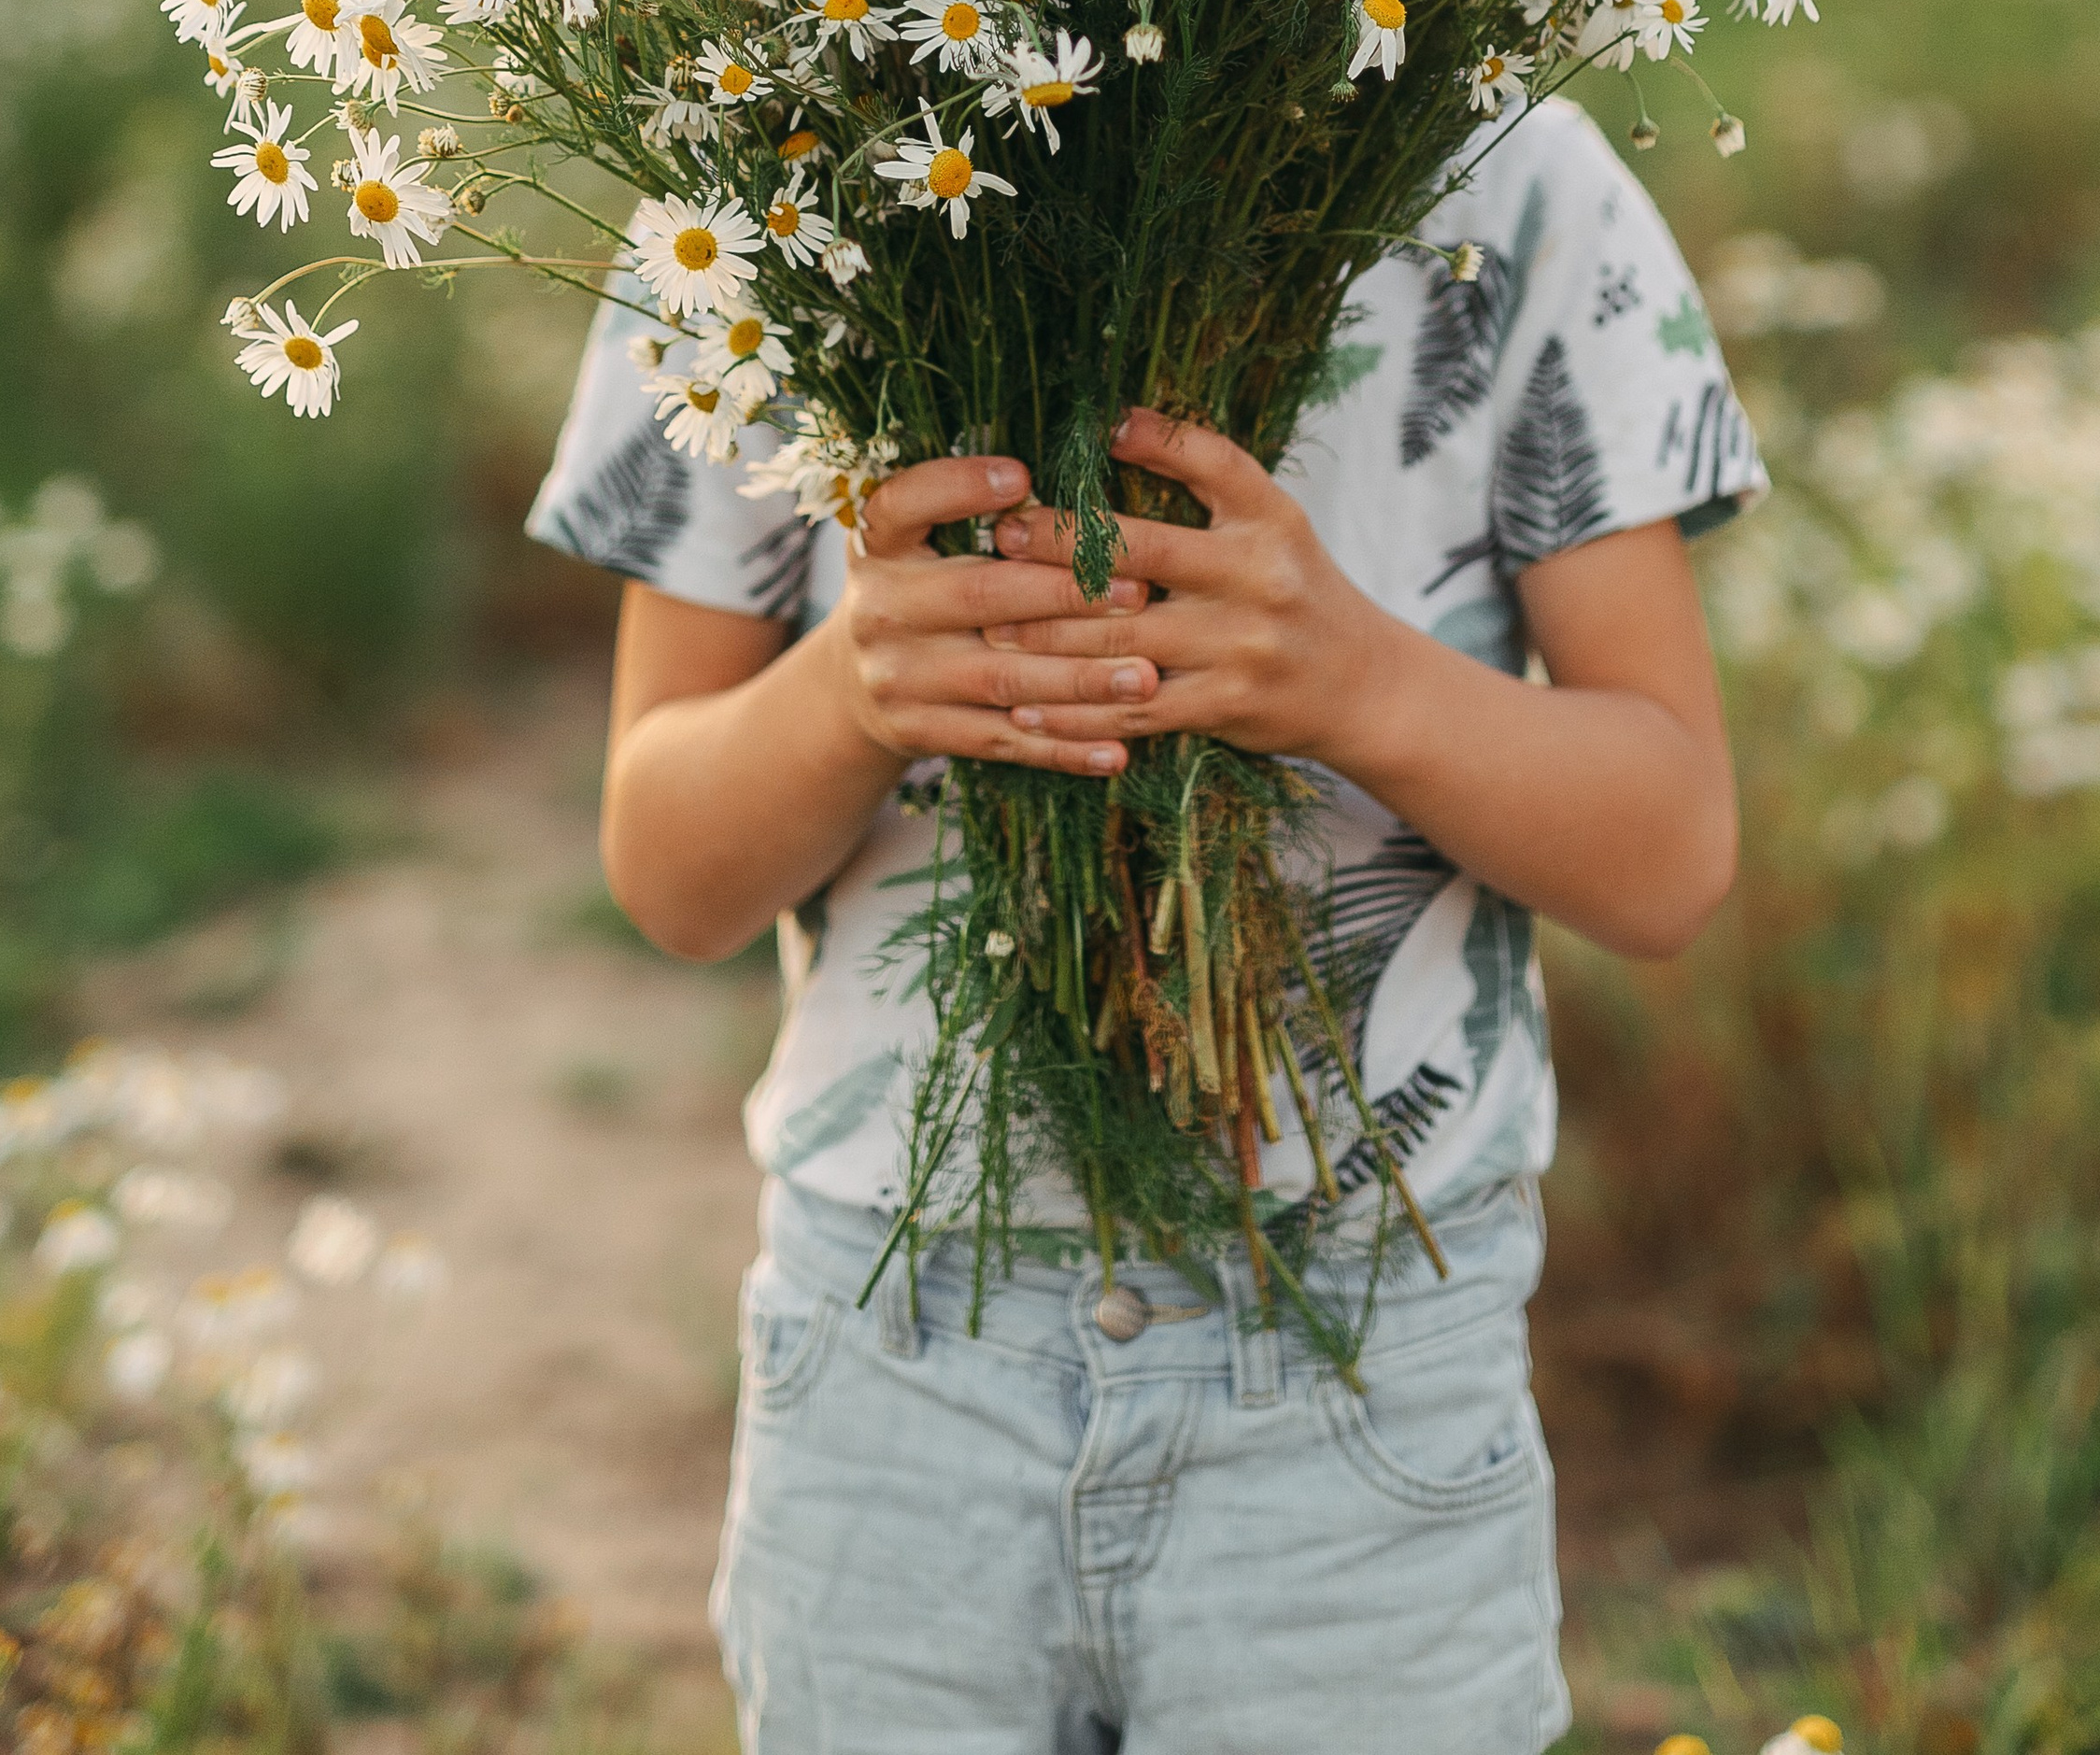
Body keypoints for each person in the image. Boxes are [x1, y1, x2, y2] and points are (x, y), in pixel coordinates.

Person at [529, 92, 1757, 1754]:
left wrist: (1353, 679)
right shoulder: (765, 163)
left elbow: (1670, 852)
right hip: (896, 1367)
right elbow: (671, 875)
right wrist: (854, 685)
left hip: (1360, 1358)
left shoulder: (1509, 171)